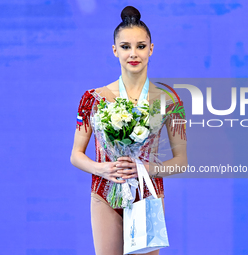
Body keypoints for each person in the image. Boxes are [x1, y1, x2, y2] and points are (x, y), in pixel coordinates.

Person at [70, 6, 188, 255]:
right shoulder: (93, 98)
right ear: (115, 50)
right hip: (105, 193)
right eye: (125, 47)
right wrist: (102, 168)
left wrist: (145, 169)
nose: (133, 53)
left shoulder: (169, 101)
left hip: (148, 194)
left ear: (151, 49)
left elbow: (181, 161)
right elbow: (76, 155)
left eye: (141, 46)